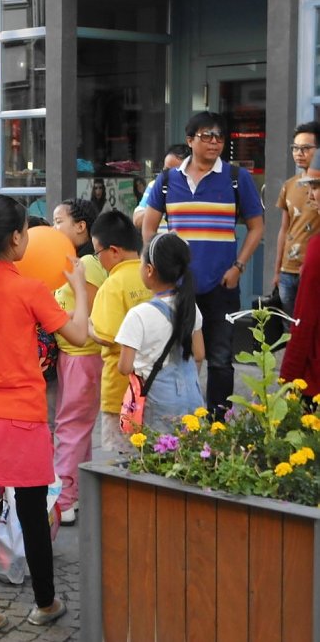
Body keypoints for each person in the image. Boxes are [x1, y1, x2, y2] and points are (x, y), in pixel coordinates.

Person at [0, 195, 91, 640]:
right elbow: (79, 334)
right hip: (22, 417)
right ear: (15, 238)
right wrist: (81, 288)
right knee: (33, 514)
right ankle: (46, 603)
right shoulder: (29, 289)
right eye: (27, 232)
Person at [142, 111, 264, 419]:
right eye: (206, 136)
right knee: (177, 354)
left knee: (221, 359)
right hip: (178, 286)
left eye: (220, 137)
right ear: (190, 140)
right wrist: (157, 266)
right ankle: (181, 418)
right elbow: (149, 225)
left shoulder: (237, 178)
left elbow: (257, 227)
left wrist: (238, 266)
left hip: (221, 286)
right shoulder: (168, 180)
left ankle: (217, 423)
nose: (214, 142)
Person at [51, 199, 108, 526]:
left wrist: (58, 314)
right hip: (74, 355)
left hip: (82, 355)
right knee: (77, 427)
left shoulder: (86, 263)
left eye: (60, 220)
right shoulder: (78, 260)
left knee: (71, 427)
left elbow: (93, 311)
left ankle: (65, 500)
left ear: (81, 226)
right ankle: (78, 493)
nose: (54, 227)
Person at [115, 233, 205, 429]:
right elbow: (199, 354)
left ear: (149, 270)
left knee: (159, 453)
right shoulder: (190, 306)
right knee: (190, 453)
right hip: (192, 396)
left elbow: (124, 367)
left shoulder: (138, 315)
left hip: (160, 399)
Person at [89, 211, 152, 453]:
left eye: (97, 253)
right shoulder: (151, 275)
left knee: (118, 461)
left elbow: (106, 336)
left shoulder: (113, 285)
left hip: (120, 392)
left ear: (113, 251)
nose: (98, 260)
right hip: (152, 386)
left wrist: (88, 326)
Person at [274, 122, 320, 318]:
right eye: (295, 148)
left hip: (312, 270)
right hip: (287, 271)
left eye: (306, 148)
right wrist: (277, 270)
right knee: (289, 327)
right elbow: (284, 229)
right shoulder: (289, 185)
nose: (299, 153)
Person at [281, 172, 320, 399]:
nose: (310, 195)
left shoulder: (316, 248)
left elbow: (304, 321)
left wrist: (287, 379)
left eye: (316, 187)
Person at [131, 144, 192, 229]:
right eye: (166, 170)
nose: (169, 175)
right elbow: (137, 221)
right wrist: (158, 206)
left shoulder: (194, 189)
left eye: (175, 171)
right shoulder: (155, 185)